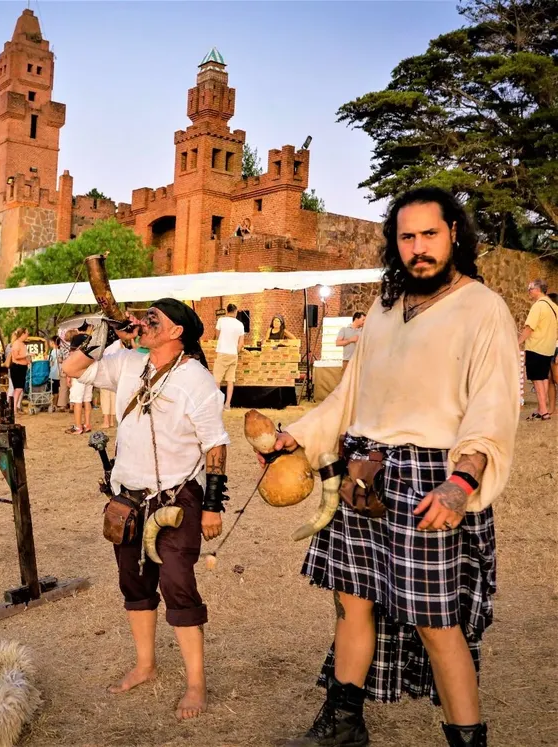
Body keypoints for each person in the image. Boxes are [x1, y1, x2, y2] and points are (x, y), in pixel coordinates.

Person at [263, 187, 519, 747]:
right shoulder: (382, 310)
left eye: (430, 234)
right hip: (364, 473)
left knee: (436, 621)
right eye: (407, 237)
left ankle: (468, 741)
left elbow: (493, 406)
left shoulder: (483, 308)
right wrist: (297, 436)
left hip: (434, 480)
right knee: (352, 599)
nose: (419, 248)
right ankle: (344, 725)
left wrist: (462, 483)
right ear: (394, 243)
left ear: (455, 233)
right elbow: (347, 399)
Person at [62, 299, 229, 721]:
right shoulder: (127, 361)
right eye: (145, 316)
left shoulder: (197, 379)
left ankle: (196, 683)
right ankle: (145, 665)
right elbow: (72, 370)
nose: (146, 321)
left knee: (177, 583)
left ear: (177, 333)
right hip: (128, 497)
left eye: (156, 318)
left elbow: (216, 444)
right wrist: (104, 334)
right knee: (134, 583)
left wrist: (211, 506)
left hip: (177, 497)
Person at [517, 279, 557, 420]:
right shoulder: (553, 306)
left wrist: (518, 342)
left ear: (537, 289)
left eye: (530, 288)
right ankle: (541, 408)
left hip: (536, 347)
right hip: (548, 348)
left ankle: (544, 411)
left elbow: (529, 328)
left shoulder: (538, 306)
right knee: (543, 378)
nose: (529, 291)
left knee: (537, 379)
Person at [213, 304, 245, 409]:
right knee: (230, 380)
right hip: (233, 354)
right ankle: (227, 404)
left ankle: (218, 404)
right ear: (235, 311)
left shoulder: (221, 321)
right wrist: (236, 351)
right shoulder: (240, 324)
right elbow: (241, 342)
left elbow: (217, 335)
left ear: (227, 311)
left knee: (217, 379)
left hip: (222, 352)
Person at [9, 328, 30, 414]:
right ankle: (14, 408)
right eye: (27, 333)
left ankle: (15, 407)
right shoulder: (17, 344)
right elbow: (16, 356)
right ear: (23, 334)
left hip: (22, 367)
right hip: (17, 367)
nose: (28, 335)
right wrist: (27, 355)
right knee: (18, 388)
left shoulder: (22, 344)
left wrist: (28, 360)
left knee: (19, 389)